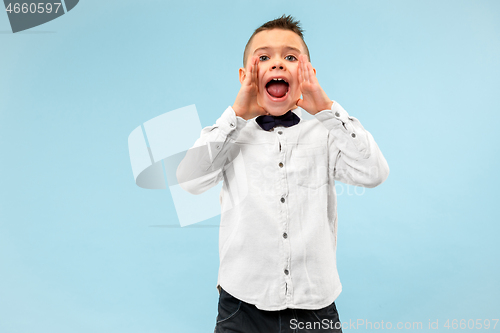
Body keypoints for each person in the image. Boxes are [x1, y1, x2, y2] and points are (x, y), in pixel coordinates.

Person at [176, 15, 389, 333]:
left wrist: (327, 110)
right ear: (246, 75)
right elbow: (190, 181)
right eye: (263, 57)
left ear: (308, 74)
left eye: (290, 57)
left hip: (314, 305)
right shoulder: (230, 135)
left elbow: (374, 173)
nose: (277, 64)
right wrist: (235, 115)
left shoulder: (326, 133)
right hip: (241, 305)